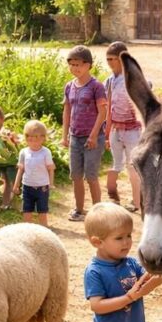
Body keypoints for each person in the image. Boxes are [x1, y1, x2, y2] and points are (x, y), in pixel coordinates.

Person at [61, 45, 108, 222]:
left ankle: (98, 213)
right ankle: (79, 210)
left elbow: (103, 112)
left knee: (91, 175)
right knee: (76, 175)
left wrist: (94, 135)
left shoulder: (96, 86)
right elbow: (66, 110)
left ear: (88, 65)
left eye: (78, 64)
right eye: (71, 64)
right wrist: (64, 135)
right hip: (75, 137)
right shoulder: (69, 86)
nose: (74, 68)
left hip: (93, 137)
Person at [103, 41, 146, 213]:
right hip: (116, 129)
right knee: (116, 164)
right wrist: (107, 133)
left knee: (133, 167)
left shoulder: (135, 79)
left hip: (132, 130)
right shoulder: (108, 81)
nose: (110, 62)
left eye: (114, 59)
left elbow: (142, 106)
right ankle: (114, 198)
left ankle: (138, 202)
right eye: (108, 59)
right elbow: (108, 108)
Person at [13, 120, 55, 227]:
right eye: (29, 138)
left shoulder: (46, 152)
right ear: (26, 138)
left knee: (42, 211)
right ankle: (27, 232)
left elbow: (51, 168)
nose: (32, 141)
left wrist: (51, 183)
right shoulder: (23, 152)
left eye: (36, 138)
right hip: (27, 186)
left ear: (43, 138)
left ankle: (44, 231)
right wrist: (16, 184)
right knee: (27, 210)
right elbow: (21, 169)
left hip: (42, 187)